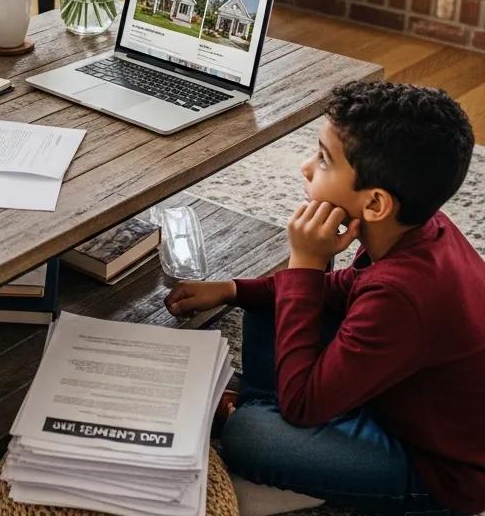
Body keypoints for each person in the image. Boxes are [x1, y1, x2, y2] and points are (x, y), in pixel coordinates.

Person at [164, 81, 484, 515]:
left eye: (324, 160)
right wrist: (234, 290)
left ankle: (273, 434)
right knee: (270, 302)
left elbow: (301, 405)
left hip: (436, 470)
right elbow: (344, 289)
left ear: (374, 204)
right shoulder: (418, 227)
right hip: (395, 390)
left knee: (248, 436)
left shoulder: (402, 294)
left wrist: (306, 260)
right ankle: (282, 415)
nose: (305, 167)